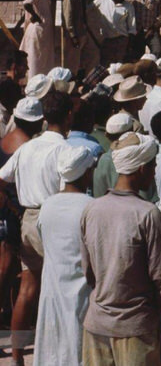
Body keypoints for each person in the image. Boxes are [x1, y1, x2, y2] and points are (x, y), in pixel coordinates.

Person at [80, 132, 161, 366]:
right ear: (142, 168)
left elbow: (88, 271)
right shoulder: (147, 214)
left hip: (97, 324)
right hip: (136, 328)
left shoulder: (92, 210)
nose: (154, 172)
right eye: (153, 166)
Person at [1, 91, 70, 365]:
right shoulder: (64, 150)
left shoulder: (27, 148)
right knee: (61, 288)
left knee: (28, 289)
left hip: (28, 219)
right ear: (67, 117)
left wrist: (10, 205)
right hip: (55, 218)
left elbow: (2, 179)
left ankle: (18, 356)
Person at [34, 141, 97, 366]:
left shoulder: (47, 205)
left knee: (53, 347)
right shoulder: (91, 206)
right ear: (85, 172)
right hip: (83, 289)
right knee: (77, 346)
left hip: (53, 287)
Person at [20, 0, 58, 79]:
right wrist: (35, 16)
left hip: (44, 31)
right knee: (34, 61)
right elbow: (27, 3)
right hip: (37, 30)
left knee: (44, 61)